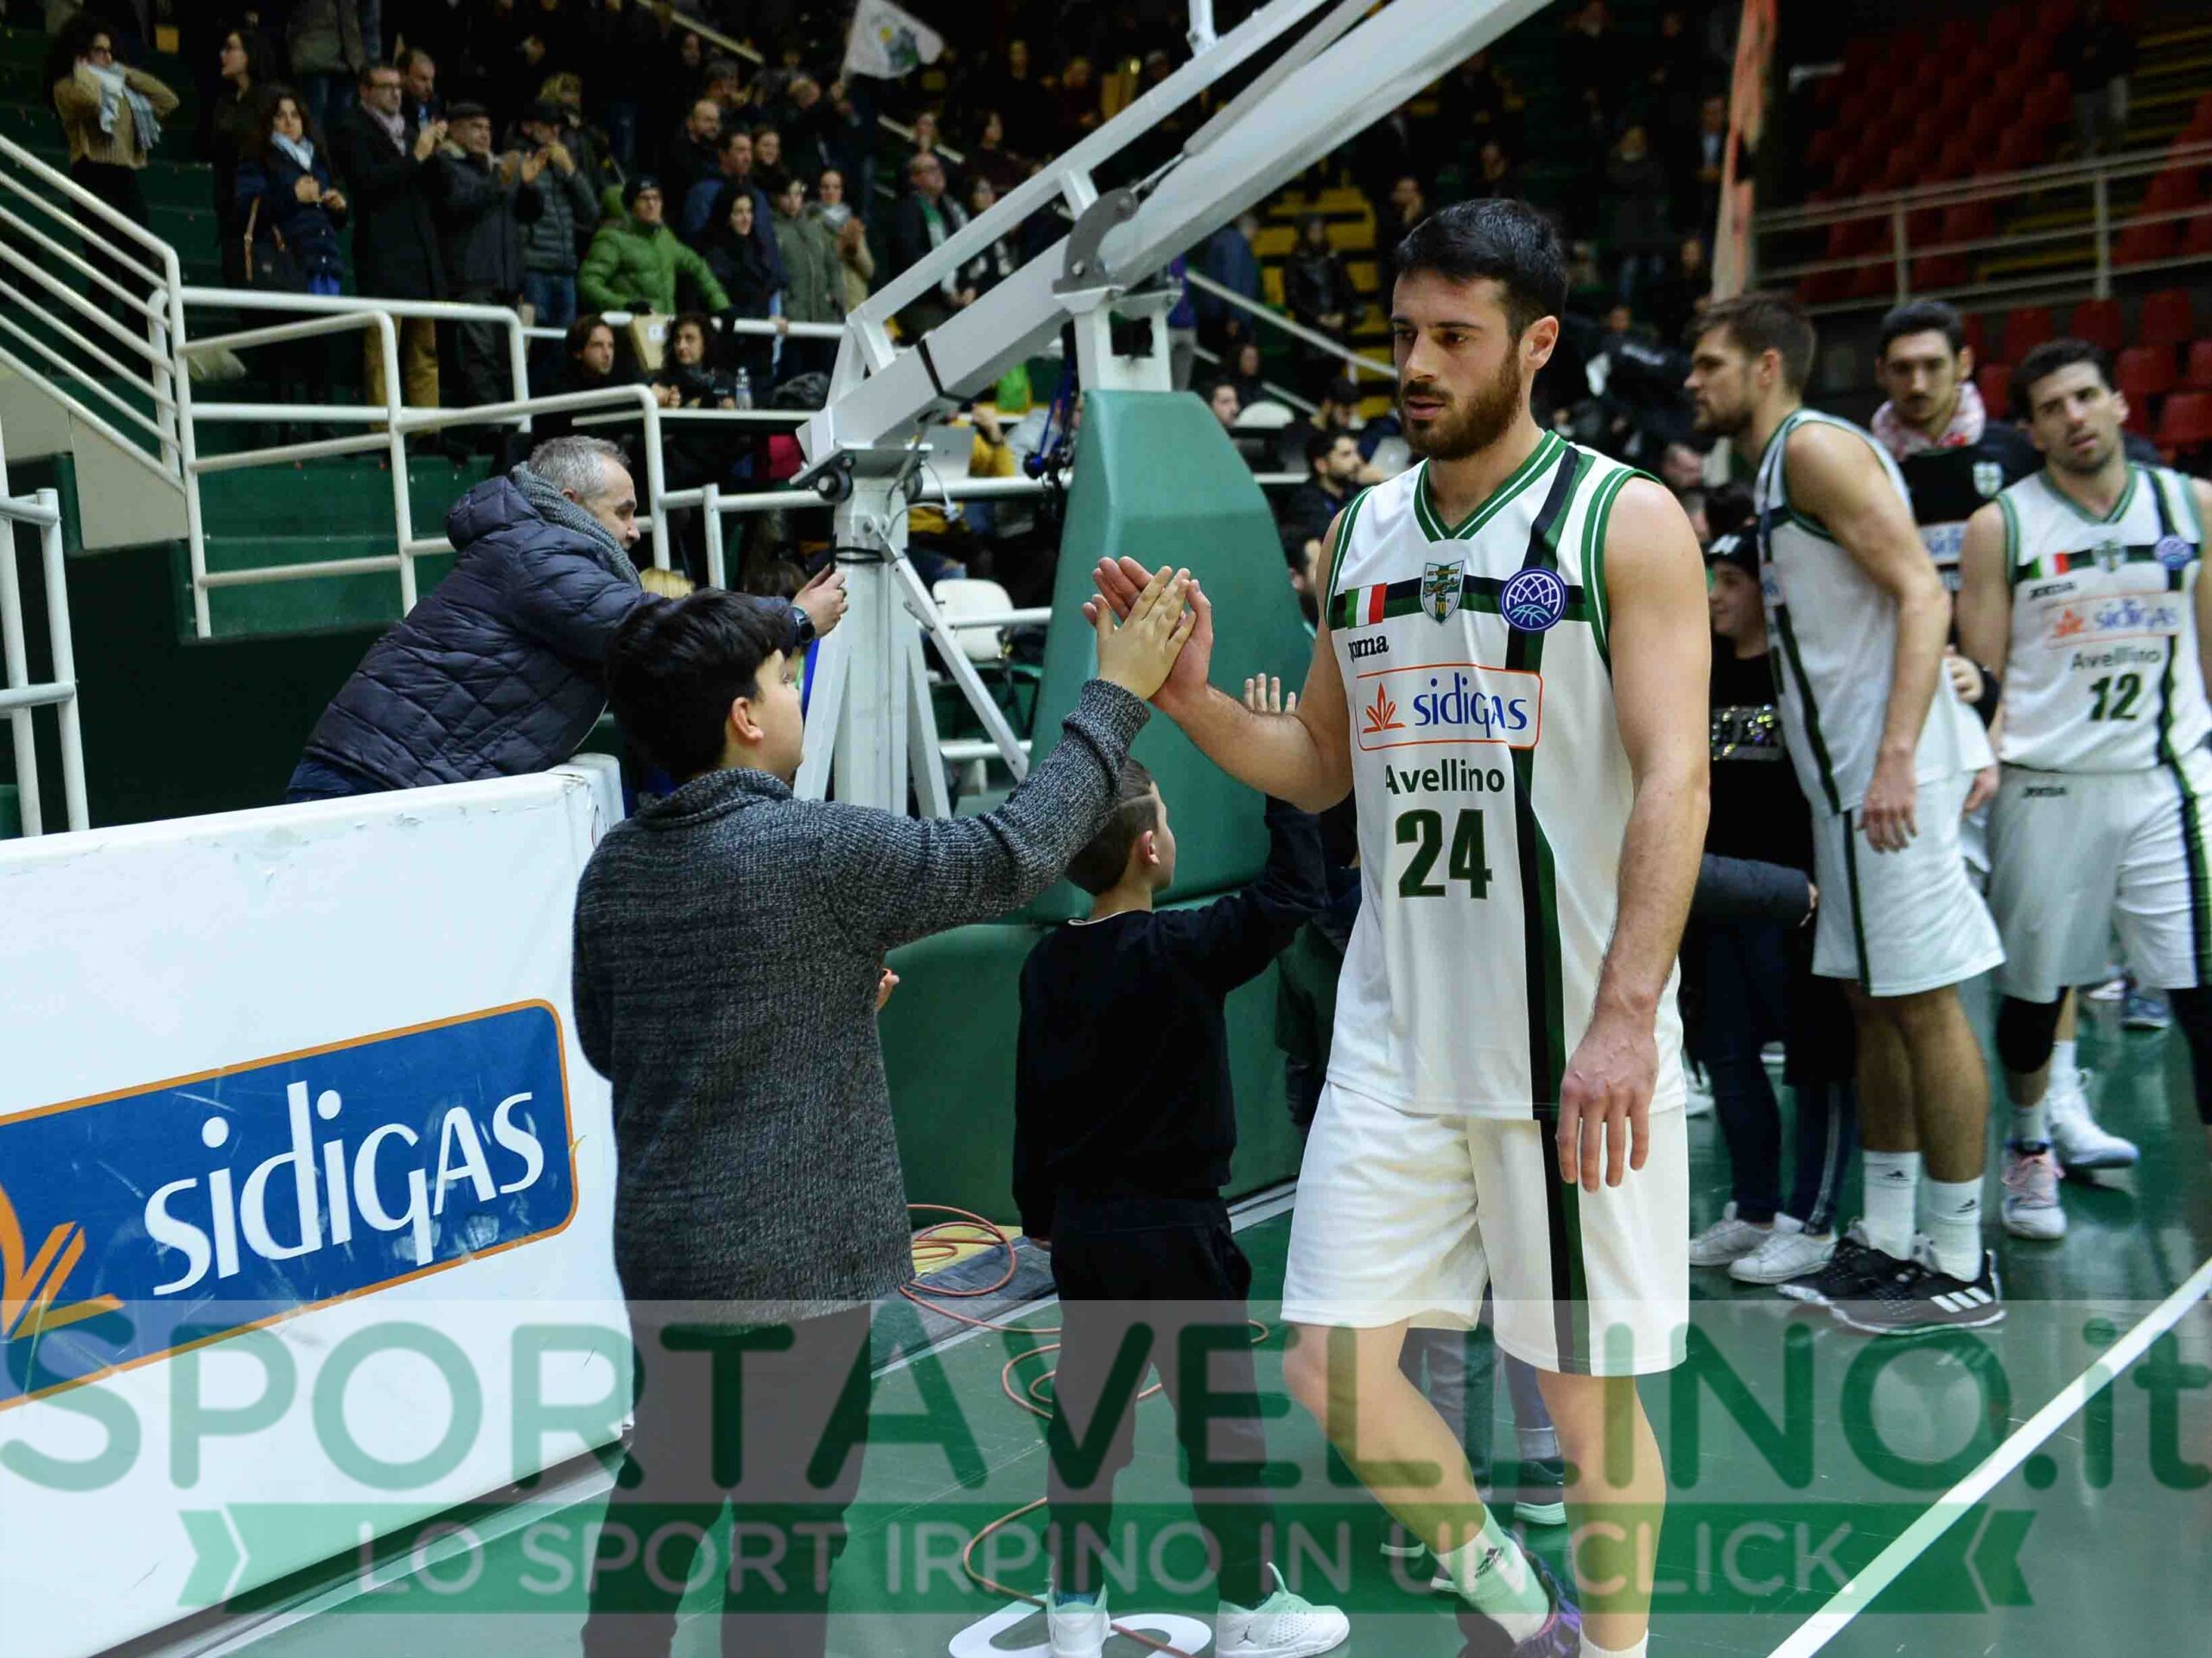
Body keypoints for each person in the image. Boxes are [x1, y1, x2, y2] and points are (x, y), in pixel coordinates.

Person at [1089, 197, 1711, 1658]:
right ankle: (1528, 1615)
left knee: (1584, 1406)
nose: (1416, 366)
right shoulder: (1362, 525)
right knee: (1331, 1366)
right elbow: (1319, 761)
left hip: (1568, 1041)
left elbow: (1677, 777)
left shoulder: (1624, 520)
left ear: (1536, 344)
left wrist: (1629, 1016)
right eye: (1402, 335)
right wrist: (1191, 703)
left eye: (1453, 337)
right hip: (1397, 1029)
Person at [570, 569, 1194, 1658]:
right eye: (784, 676)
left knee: (663, 1496)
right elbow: (1013, 852)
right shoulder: (814, 851)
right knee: (786, 1543)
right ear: (744, 716)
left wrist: (804, 1002)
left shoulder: (617, 865)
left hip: (669, 1259)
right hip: (798, 1273)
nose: (797, 693)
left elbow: (611, 1044)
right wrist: (1115, 697)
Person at [1687, 294, 2006, 1334]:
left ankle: (1959, 1257)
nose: (1691, 381)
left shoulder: (1817, 450)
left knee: (1924, 1004)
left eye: (1708, 363)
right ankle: (1892, 1235)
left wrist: (1900, 754)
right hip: (1847, 782)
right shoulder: (1775, 469)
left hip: (1888, 774)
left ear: (1765, 365)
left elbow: (1922, 591)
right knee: (1874, 1004)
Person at [1015, 755, 1351, 1657]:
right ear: (1152, 848)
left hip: (1085, 1231)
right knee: (1220, 1426)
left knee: (1088, 1428)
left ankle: (1073, 1610)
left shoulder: (1046, 964)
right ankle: (1247, 1604)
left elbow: (1030, 1101)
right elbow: (1291, 894)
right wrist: (1285, 780)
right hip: (1179, 1231)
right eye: (1163, 816)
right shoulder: (1185, 947)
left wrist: (1038, 1209)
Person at [1956, 340, 2199, 1216]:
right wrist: (1977, 763)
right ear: (2031, 429)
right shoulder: (2003, 526)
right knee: (2033, 995)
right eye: (2052, 407)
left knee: (2201, 994)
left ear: (2120, 403)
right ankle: (2028, 1144)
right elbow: (1983, 673)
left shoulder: (2192, 506)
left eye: (2087, 396)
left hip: (2167, 782)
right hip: (2046, 784)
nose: (2075, 416)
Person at [289, 435, 848, 801]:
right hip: (370, 782)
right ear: (570, 501)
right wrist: (793, 619)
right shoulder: (535, 552)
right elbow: (662, 630)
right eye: (623, 512)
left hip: (389, 777)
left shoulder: (524, 544)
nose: (634, 531)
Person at [1683, 508, 1862, 1291]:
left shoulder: (1804, 673)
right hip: (1717, 891)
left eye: (1731, 581)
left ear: (1769, 589)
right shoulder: (1699, 668)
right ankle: (1754, 1210)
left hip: (1798, 899)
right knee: (1727, 1054)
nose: (1715, 595)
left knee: (1818, 1061)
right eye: (1711, 580)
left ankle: (1812, 1221)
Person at [1872, 300, 2044, 594]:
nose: (1918, 385)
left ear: (1963, 364)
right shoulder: (1863, 463)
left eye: (1933, 366)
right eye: (1902, 369)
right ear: (1880, 372)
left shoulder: (2019, 452)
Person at [48, 16, 179, 334]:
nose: (107, 57)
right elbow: (90, 100)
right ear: (81, 52)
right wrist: (83, 69)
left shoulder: (124, 90)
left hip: (125, 178)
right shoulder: (67, 86)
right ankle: (95, 343)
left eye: (110, 51)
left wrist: (123, 72)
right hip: (91, 173)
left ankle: (145, 342)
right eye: (99, 51)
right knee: (103, 263)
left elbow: (168, 100)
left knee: (138, 263)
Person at [330, 61, 445, 409]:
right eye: (386, 86)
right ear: (365, 91)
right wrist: (417, 157)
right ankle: (384, 426)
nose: (396, 93)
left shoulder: (410, 131)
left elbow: (432, 190)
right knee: (383, 349)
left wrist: (434, 156)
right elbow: (367, 184)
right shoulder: (351, 129)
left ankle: (428, 427)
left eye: (398, 86)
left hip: (419, 255)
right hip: (382, 255)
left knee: (425, 350)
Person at [432, 103, 542, 417]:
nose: (484, 134)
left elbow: (529, 214)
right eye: (475, 127)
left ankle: (509, 426)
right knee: (479, 357)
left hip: (507, 281)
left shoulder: (497, 168)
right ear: (454, 130)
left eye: (488, 128)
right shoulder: (445, 165)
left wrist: (528, 185)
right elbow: (456, 206)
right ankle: (491, 429)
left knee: (509, 360)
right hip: (471, 279)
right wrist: (499, 181)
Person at [579, 176, 731, 319]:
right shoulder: (611, 239)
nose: (652, 204)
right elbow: (588, 283)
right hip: (630, 329)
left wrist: (722, 306)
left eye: (656, 198)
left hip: (665, 328)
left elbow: (698, 267)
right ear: (631, 205)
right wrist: (625, 306)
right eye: (644, 198)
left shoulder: (664, 238)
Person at [513, 98, 600, 339]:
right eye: (548, 125)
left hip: (565, 269)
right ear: (527, 127)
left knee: (565, 346)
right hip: (533, 269)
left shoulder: (563, 164)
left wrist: (571, 170)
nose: (555, 131)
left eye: (558, 126)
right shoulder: (518, 160)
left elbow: (592, 212)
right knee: (532, 345)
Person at [700, 185, 784, 394]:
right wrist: (763, 320)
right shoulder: (716, 255)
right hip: (732, 351)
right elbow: (722, 304)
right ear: (726, 216)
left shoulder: (759, 250)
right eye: (738, 212)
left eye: (749, 211)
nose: (746, 218)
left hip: (761, 350)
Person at [885, 149, 973, 336]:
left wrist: (968, 286)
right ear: (914, 179)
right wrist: (944, 288)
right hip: (921, 302)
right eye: (930, 170)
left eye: (938, 168)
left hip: (952, 299)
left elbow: (961, 251)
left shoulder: (949, 210)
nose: (938, 174)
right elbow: (910, 256)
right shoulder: (906, 210)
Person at [209, 27, 271, 285]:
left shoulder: (270, 101)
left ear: (249, 55)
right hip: (229, 210)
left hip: (262, 212)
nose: (223, 55)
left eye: (231, 48)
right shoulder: (225, 102)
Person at [769, 172, 842, 382]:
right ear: (777, 197)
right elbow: (774, 274)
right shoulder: (772, 230)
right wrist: (787, 305)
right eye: (787, 194)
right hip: (793, 324)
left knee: (826, 383)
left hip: (824, 321)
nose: (793, 200)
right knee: (795, 382)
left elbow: (833, 266)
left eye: (798, 194)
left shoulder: (815, 228)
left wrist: (835, 296)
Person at [1284, 214, 1357, 389]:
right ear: (1304, 233)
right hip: (1310, 333)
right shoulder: (1294, 262)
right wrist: (1318, 317)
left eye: (1320, 230)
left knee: (1337, 382)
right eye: (1313, 230)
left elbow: (1348, 291)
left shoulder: (1334, 258)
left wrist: (1342, 315)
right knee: (1313, 384)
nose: (1317, 234)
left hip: (1336, 329)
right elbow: (1292, 298)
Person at [2057, 0, 2135, 157]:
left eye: (2095, 5)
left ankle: (2113, 157)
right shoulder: (2073, 32)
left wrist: (2102, 56)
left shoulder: (2112, 28)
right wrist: (2080, 57)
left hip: (2106, 86)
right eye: (2089, 6)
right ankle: (2089, 165)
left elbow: (2125, 55)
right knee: (2086, 133)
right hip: (2083, 89)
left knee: (2114, 124)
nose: (2092, 9)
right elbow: (2063, 59)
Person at [1279, 429, 1362, 549]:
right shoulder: (1305, 500)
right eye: (1346, 455)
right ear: (1321, 465)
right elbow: (1330, 536)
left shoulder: (1356, 492)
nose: (1357, 461)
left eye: (1356, 453)